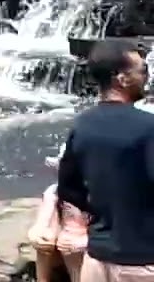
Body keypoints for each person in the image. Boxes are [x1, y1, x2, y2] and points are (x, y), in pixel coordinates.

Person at [57, 38, 154, 282]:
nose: (147, 77)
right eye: (143, 70)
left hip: (98, 257)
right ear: (121, 79)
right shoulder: (148, 127)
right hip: (143, 261)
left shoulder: (82, 125)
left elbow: (69, 190)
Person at [28, 144, 88, 282]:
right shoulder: (55, 192)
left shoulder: (103, 195)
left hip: (90, 247)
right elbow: (41, 224)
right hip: (66, 244)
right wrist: (37, 235)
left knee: (75, 248)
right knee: (46, 237)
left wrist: (85, 242)